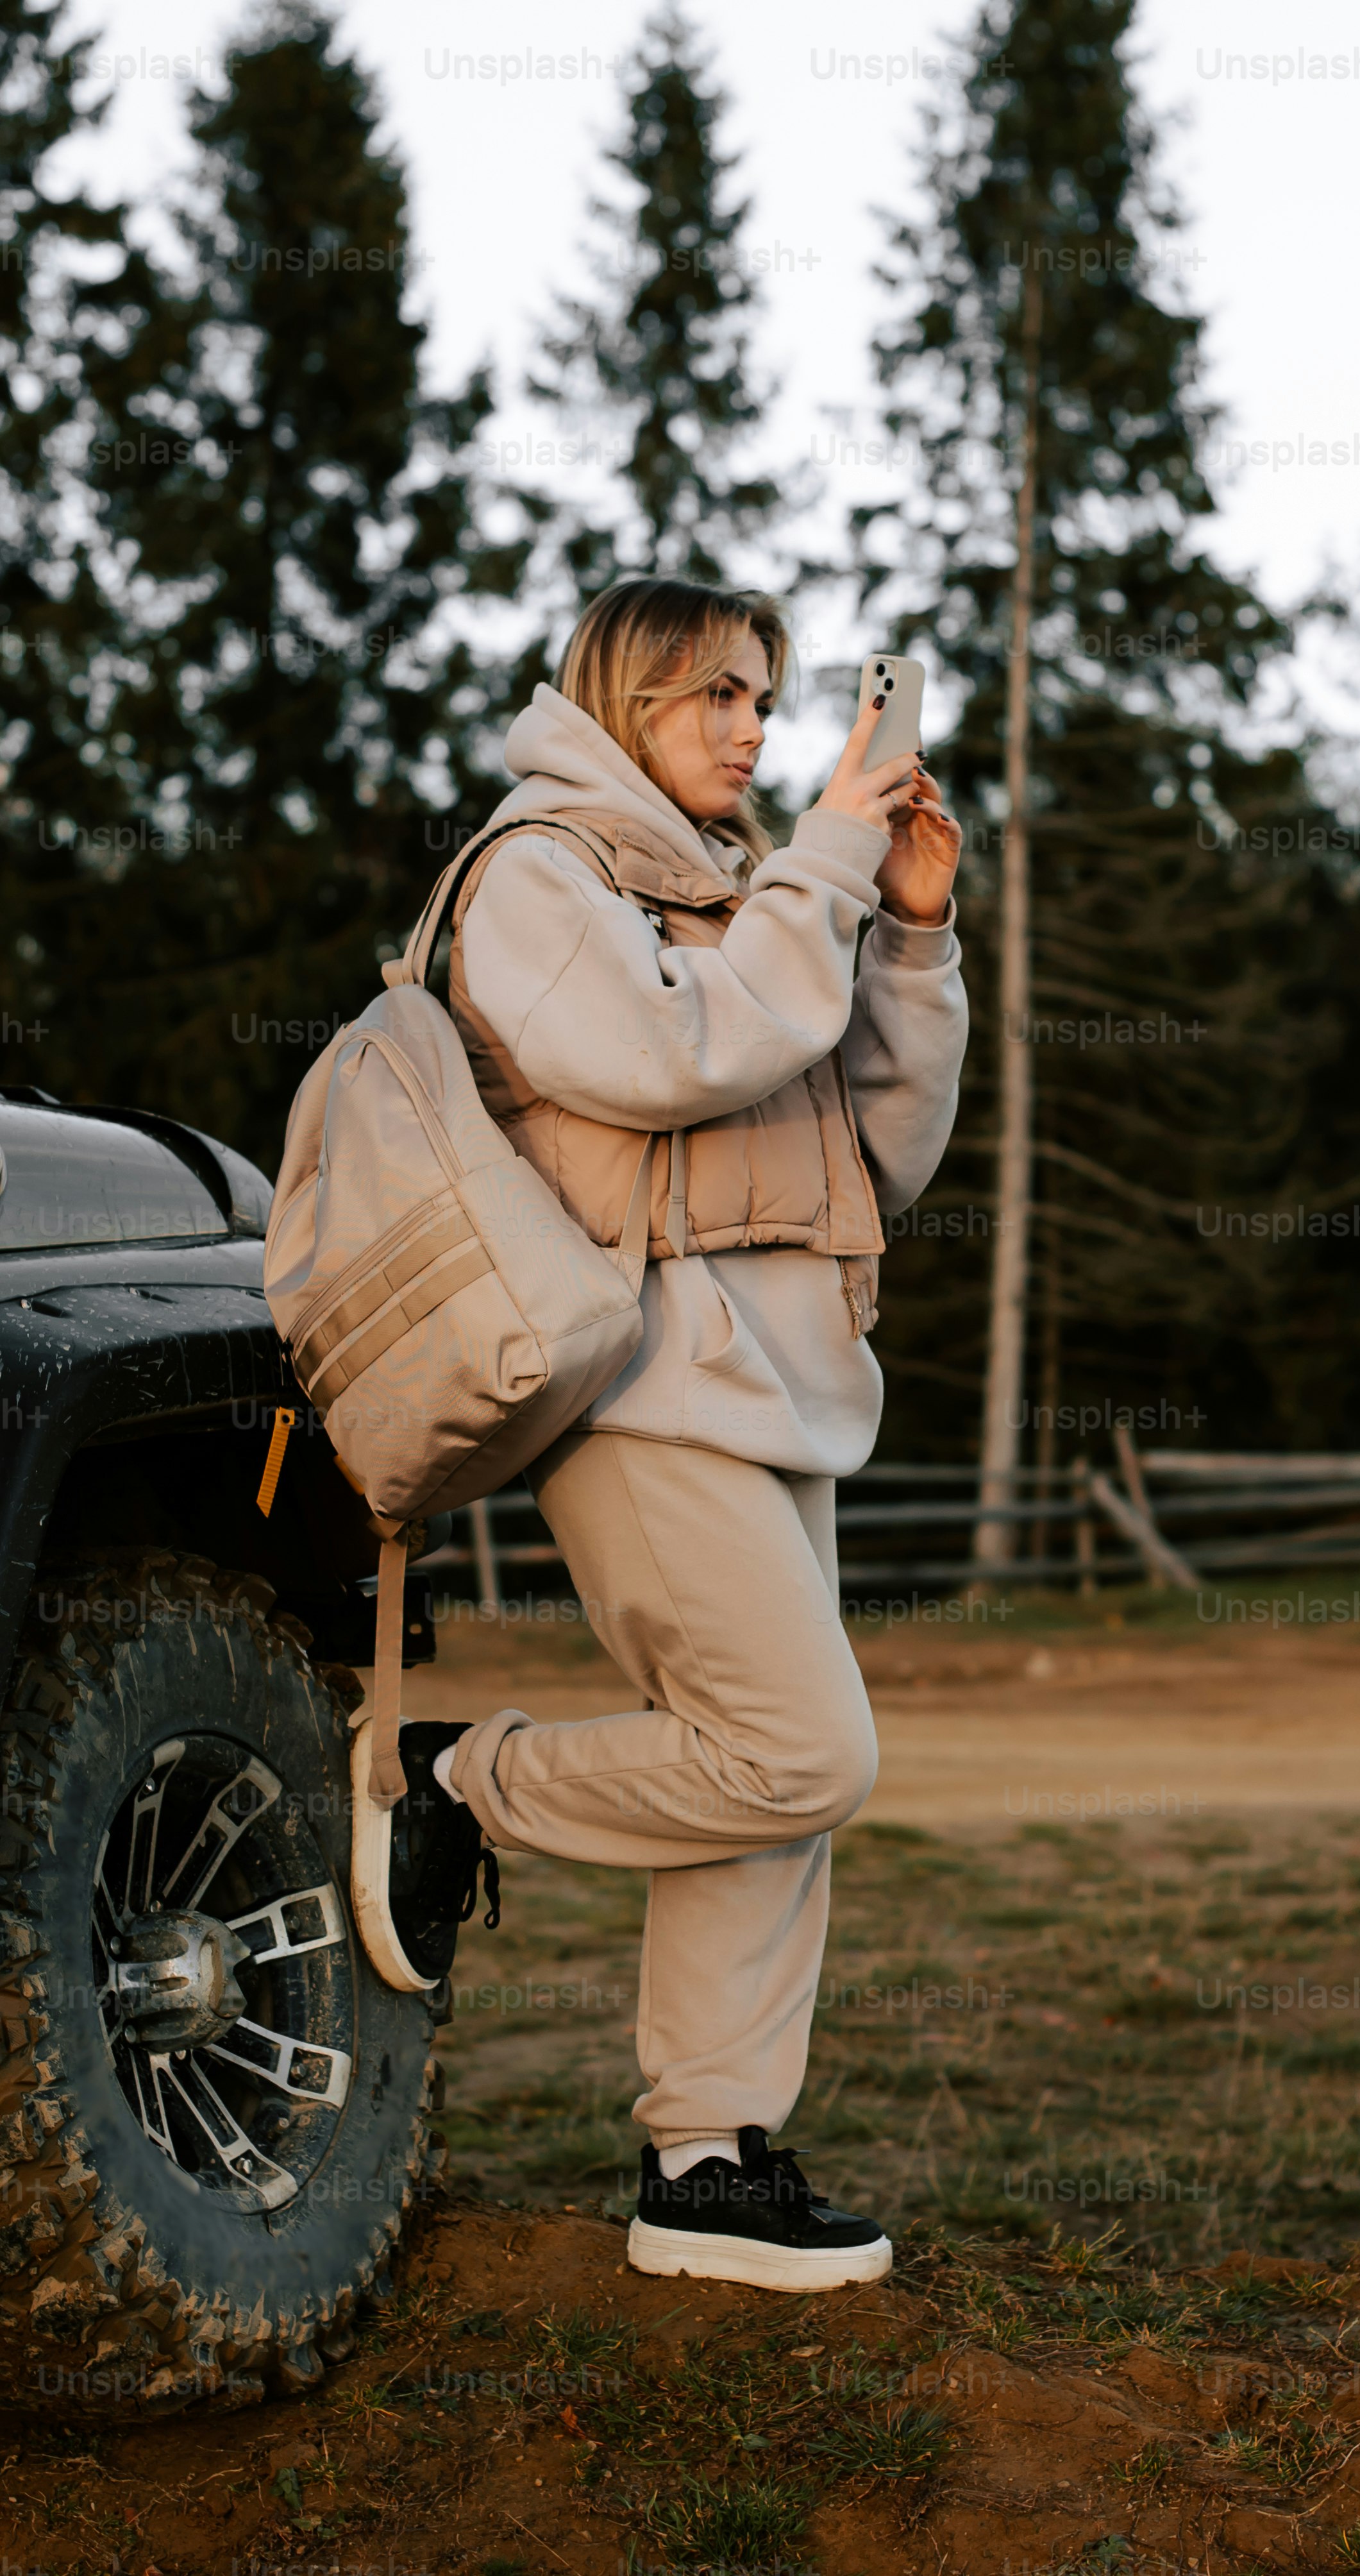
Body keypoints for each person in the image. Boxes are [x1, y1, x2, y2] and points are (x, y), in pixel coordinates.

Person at [359, 575, 966, 2291]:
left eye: (769, 703)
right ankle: (462, 1787)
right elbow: (672, 1057)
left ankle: (704, 2166)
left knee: (769, 1797)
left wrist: (912, 938)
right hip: (640, 1385)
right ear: (626, 699)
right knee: (801, 1748)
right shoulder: (538, 872)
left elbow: (877, 1157)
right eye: (719, 698)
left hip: (788, 1387)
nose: (757, 734)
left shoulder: (738, 893)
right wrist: (829, 869)